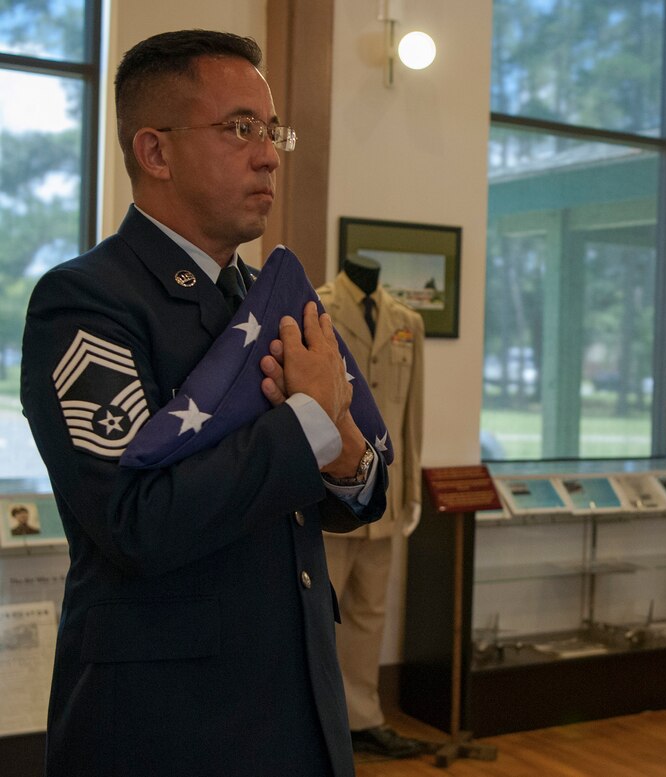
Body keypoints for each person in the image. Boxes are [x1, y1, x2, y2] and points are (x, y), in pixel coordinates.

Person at [20, 29, 388, 777]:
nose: (269, 153)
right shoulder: (86, 303)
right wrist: (312, 422)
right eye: (239, 128)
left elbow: (353, 492)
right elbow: (136, 522)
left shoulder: (272, 300)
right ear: (155, 152)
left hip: (302, 706)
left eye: (270, 129)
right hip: (170, 723)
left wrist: (343, 445)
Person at [318, 254, 427, 758]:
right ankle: (319, 723)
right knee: (320, 614)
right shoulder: (315, 307)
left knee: (369, 613)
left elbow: (410, 418)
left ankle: (363, 719)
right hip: (330, 495)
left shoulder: (407, 322)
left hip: (383, 494)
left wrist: (411, 493)